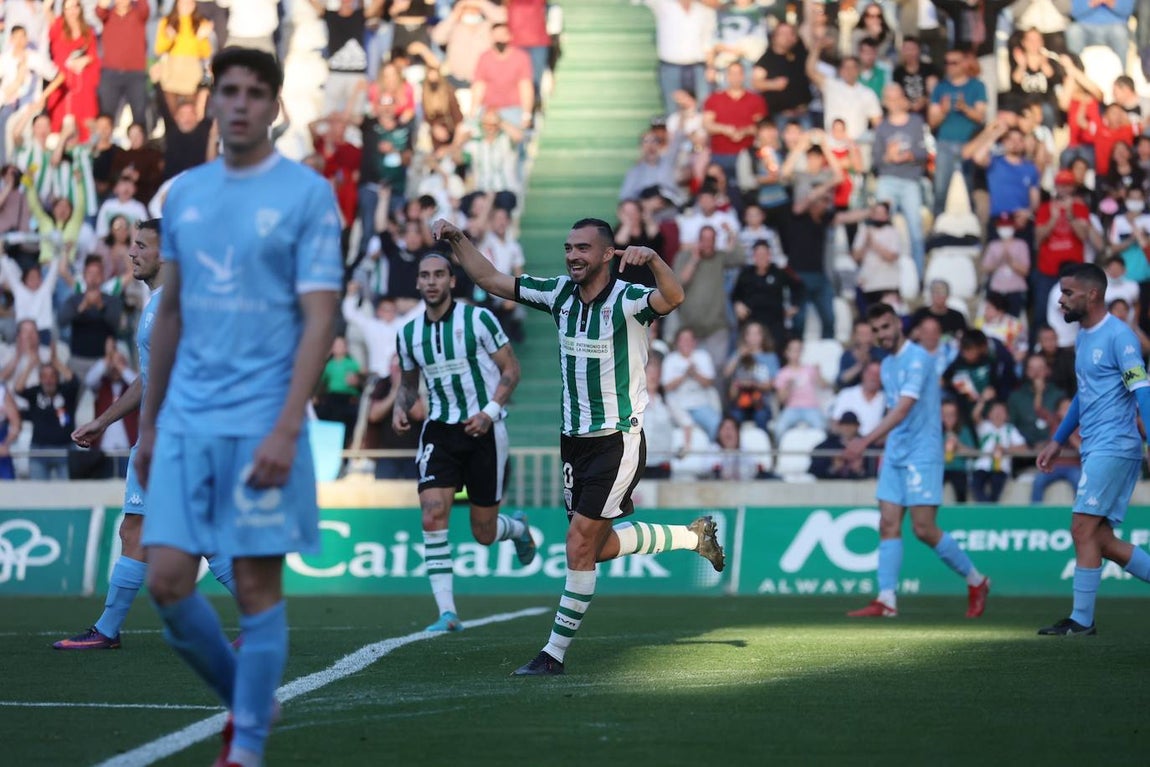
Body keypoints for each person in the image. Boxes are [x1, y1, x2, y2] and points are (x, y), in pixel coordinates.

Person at [133, 49, 343, 766]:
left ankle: (245, 744)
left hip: (262, 418)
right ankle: (251, 698)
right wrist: (150, 423)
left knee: (255, 586)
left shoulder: (308, 196)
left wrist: (289, 424)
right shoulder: (183, 195)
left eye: (257, 92)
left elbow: (321, 318)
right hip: (187, 417)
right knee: (165, 579)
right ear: (212, 100)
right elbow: (169, 316)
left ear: (276, 106)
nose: (243, 103)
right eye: (230, 90)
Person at [431, 216, 725, 676]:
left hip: (617, 438)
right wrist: (457, 239)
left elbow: (673, 297)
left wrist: (655, 261)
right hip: (573, 441)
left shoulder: (628, 298)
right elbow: (489, 278)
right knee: (598, 548)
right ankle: (692, 537)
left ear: (608, 254)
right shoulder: (558, 295)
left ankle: (553, 655)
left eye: (583, 248)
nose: (573, 256)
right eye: (569, 248)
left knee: (577, 545)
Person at [52, 219, 237, 650]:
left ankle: (106, 630)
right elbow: (150, 377)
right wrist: (104, 420)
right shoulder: (161, 304)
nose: (131, 253)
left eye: (141, 246)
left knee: (134, 529)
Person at [392, 250, 535, 632]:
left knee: (483, 533)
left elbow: (511, 370)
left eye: (440, 274)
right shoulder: (408, 333)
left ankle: (517, 528)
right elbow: (407, 386)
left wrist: (488, 412)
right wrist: (399, 407)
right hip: (440, 429)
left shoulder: (478, 319)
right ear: (418, 282)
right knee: (432, 513)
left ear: (452, 280)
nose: (432, 281)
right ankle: (446, 613)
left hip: (485, 428)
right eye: (426, 275)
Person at [843, 303, 991, 618]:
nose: (882, 335)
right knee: (887, 523)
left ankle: (977, 581)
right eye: (877, 330)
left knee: (924, 529)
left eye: (886, 326)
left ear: (897, 324)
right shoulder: (886, 366)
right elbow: (895, 411)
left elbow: (904, 409)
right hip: (896, 453)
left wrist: (865, 441)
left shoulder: (920, 359)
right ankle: (886, 600)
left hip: (923, 453)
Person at [1035, 263, 1150, 636]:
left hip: (1115, 446)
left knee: (1081, 527)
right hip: (1095, 447)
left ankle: (1082, 621)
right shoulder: (1084, 336)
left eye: (1068, 293)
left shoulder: (1120, 338)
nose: (1062, 299)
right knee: (1099, 539)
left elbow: (1142, 391)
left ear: (1092, 295)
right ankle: (1081, 619)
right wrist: (1057, 440)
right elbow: (1084, 398)